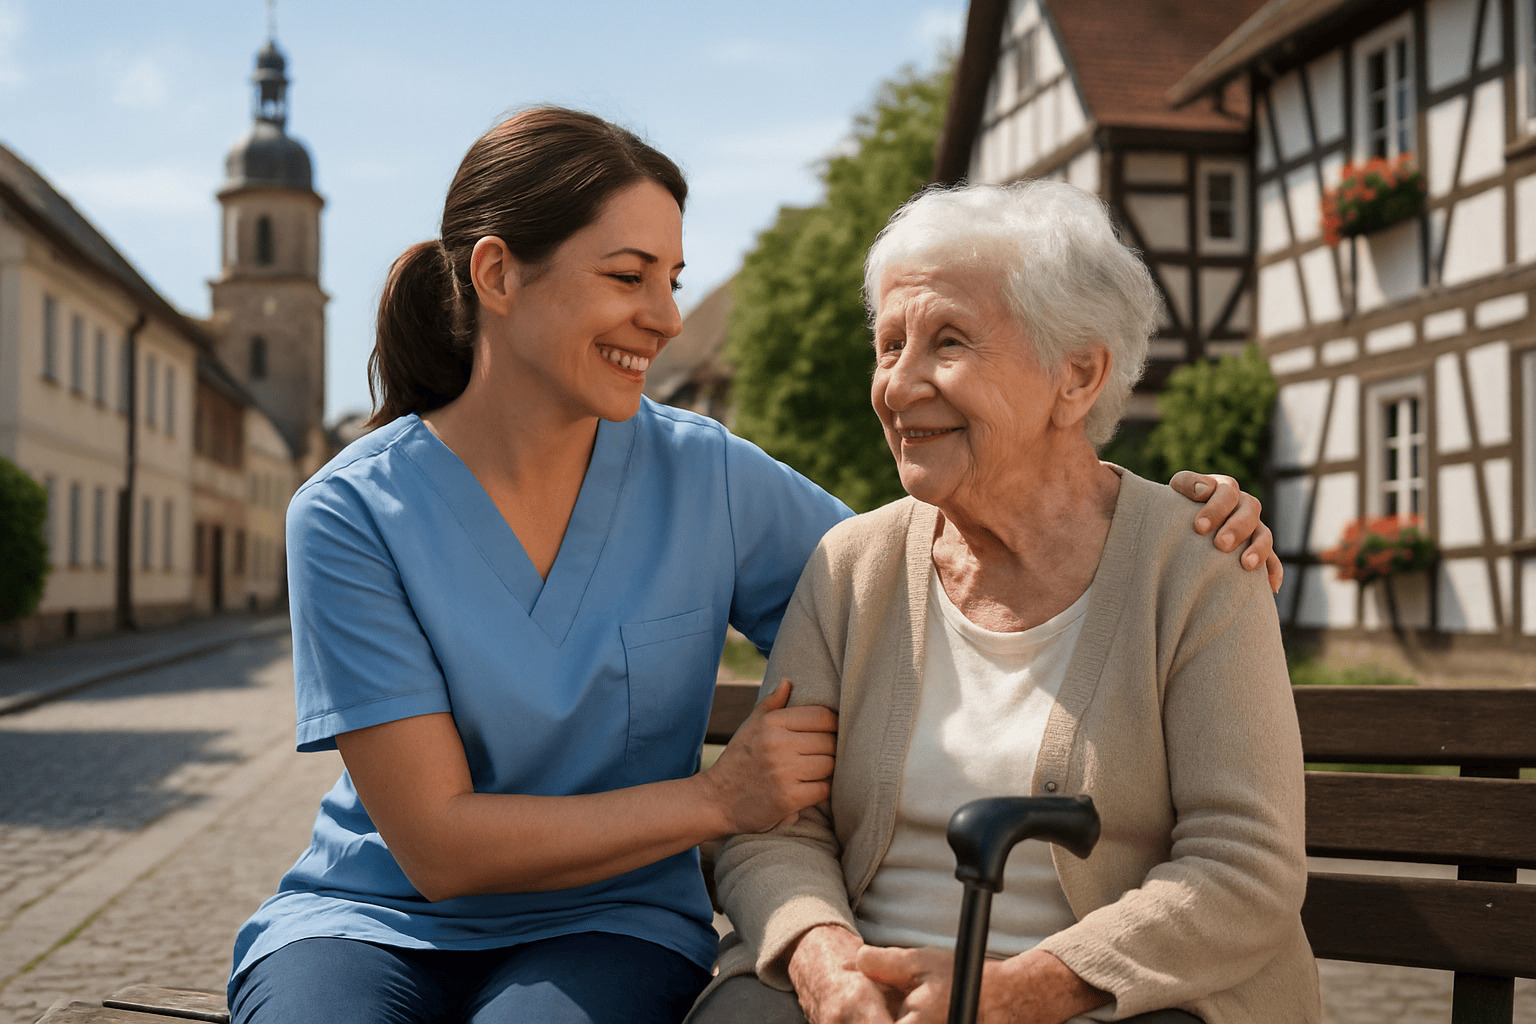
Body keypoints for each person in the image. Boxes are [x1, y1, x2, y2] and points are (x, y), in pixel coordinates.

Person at [227, 110, 1281, 1024]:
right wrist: (722, 804)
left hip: (610, 919)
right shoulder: (351, 510)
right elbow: (441, 847)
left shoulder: (709, 478)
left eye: (672, 279)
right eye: (628, 275)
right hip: (376, 913)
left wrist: (1174, 512)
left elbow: (954, 546)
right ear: (499, 276)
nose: (669, 316)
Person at [694, 181, 1319, 1024]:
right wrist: (822, 958)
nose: (900, 384)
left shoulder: (1196, 565)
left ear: (1078, 373)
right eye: (888, 346)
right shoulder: (850, 567)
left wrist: (1020, 991)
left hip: (1113, 1001)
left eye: (948, 343)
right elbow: (774, 828)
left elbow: (1244, 867)